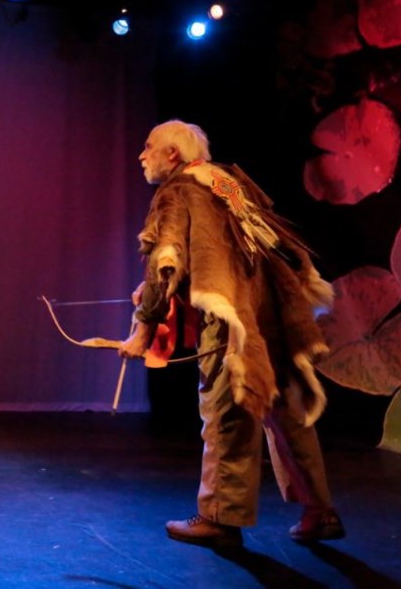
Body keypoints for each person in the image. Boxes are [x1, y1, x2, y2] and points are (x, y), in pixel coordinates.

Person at [118, 119, 345, 547]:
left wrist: (142, 332)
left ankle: (219, 519)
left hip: (232, 322)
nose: (141, 155)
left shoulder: (177, 191)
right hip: (271, 312)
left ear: (173, 155)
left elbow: (165, 260)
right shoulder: (226, 181)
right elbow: (255, 243)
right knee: (285, 413)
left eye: (149, 147)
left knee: (227, 413)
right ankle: (321, 511)